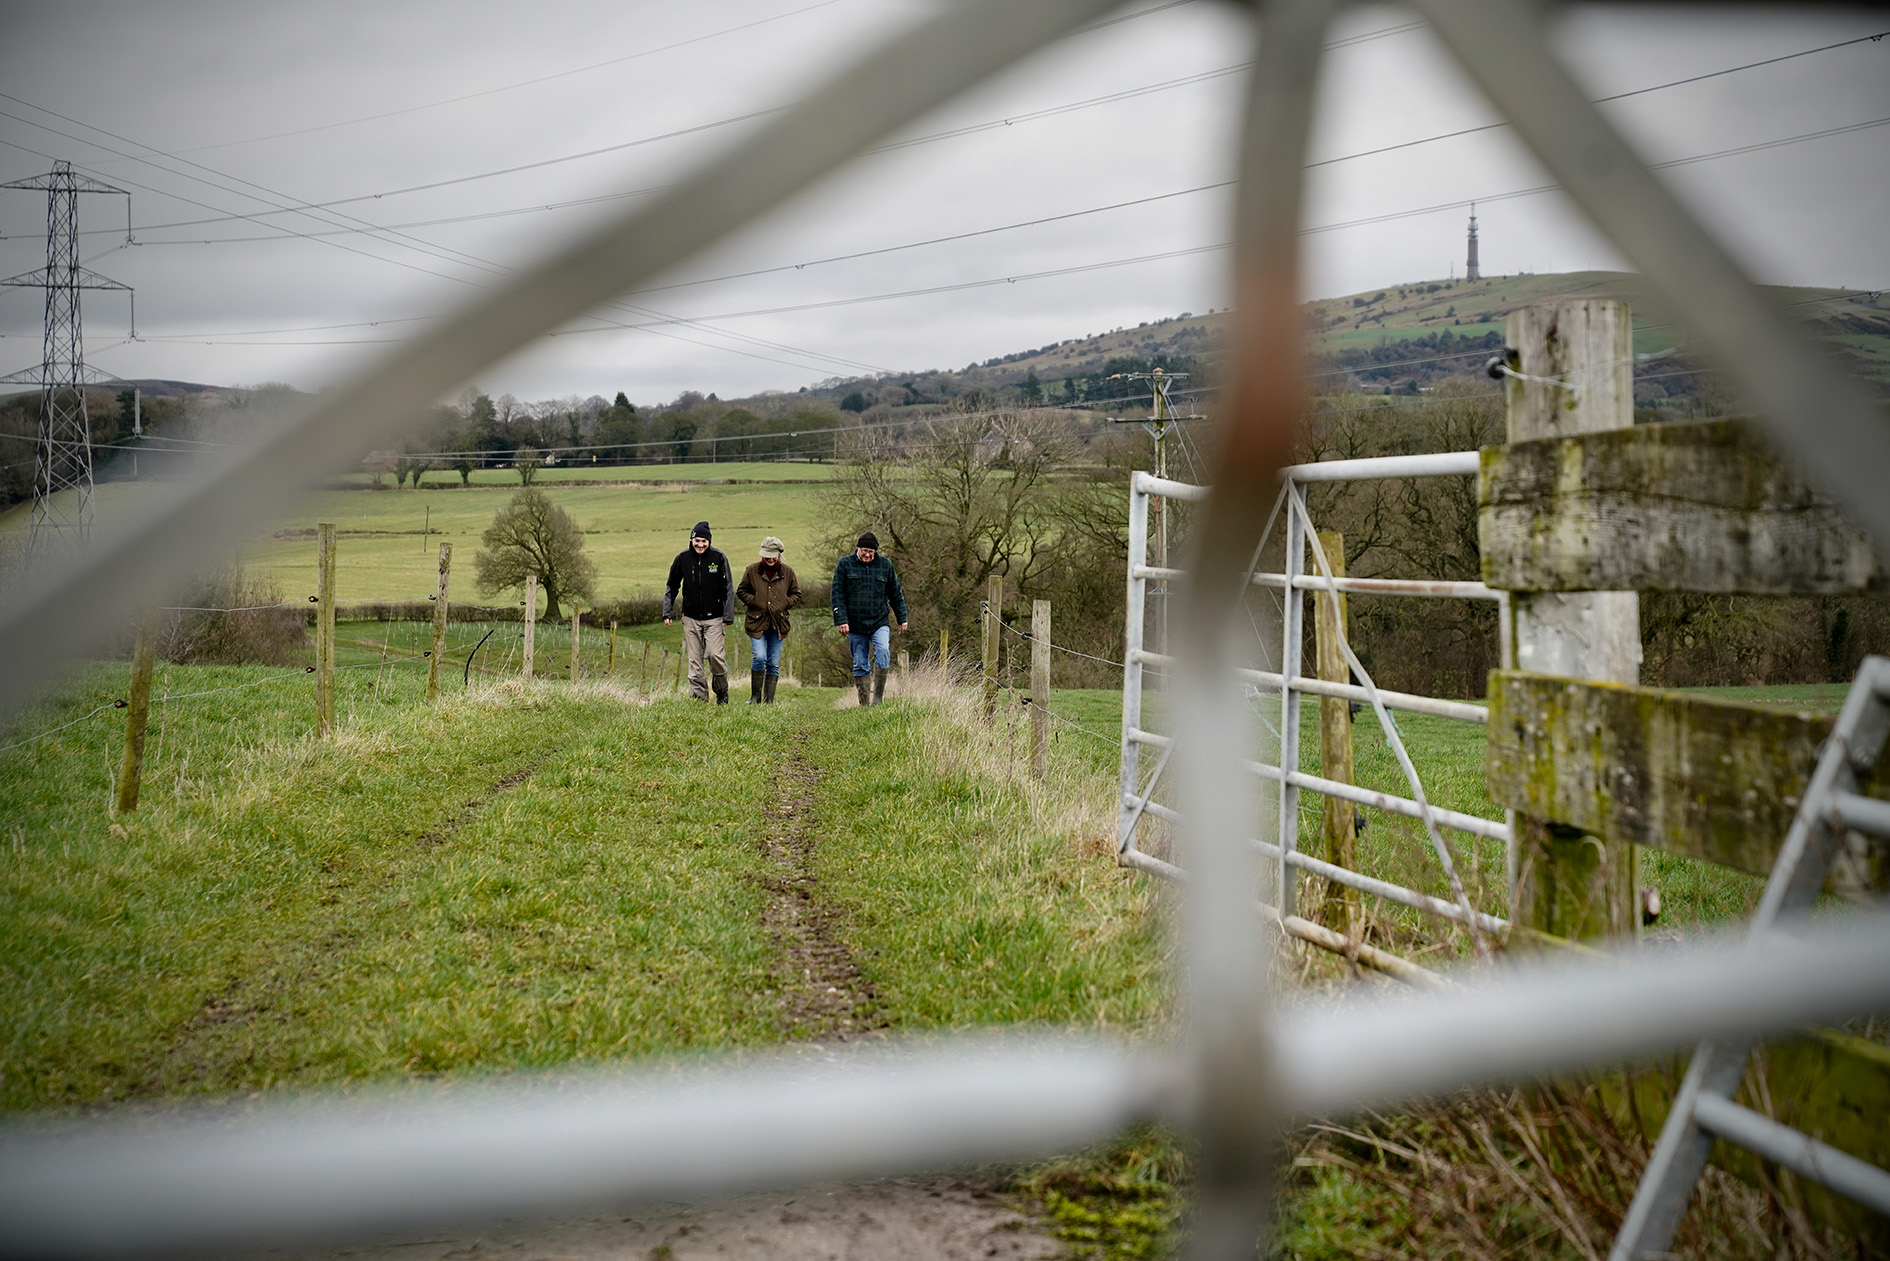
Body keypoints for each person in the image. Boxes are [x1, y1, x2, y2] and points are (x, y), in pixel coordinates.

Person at [831, 531, 907, 707]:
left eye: (871, 552)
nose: (867, 555)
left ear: (875, 552)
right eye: (864, 551)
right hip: (855, 624)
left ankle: (878, 699)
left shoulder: (885, 565)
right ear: (858, 548)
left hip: (879, 621)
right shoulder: (844, 565)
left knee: (883, 652)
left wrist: (902, 618)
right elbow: (837, 595)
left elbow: (896, 594)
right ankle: (864, 704)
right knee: (860, 663)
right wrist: (841, 620)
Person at [663, 521, 735, 704]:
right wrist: (667, 611)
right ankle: (699, 700)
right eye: (697, 540)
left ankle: (721, 693)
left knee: (715, 656)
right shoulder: (682, 559)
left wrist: (728, 615)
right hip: (691, 618)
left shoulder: (718, 558)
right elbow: (672, 585)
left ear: (709, 541)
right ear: (691, 540)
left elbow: (727, 588)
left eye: (704, 541)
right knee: (695, 662)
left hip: (715, 618)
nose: (700, 545)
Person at [737, 535, 801, 705]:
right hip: (756, 621)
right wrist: (755, 601)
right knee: (759, 657)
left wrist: (785, 603)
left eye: (773, 555)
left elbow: (796, 594)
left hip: (778, 623)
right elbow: (741, 591)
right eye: (766, 555)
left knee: (773, 662)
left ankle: (768, 701)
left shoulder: (788, 572)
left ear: (779, 555)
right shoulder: (752, 570)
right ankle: (755, 697)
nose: (769, 559)